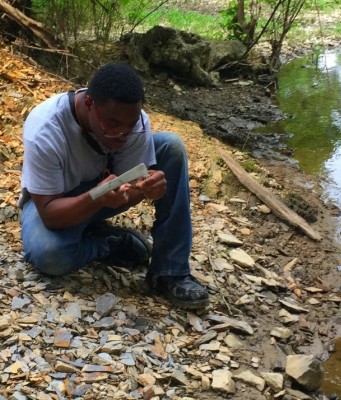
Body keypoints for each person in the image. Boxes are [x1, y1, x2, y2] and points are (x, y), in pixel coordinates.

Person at [18, 62, 209, 310]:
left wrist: (144, 189)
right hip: (55, 202)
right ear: (89, 104)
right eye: (113, 124)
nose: (123, 134)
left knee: (171, 147)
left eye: (130, 125)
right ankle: (108, 243)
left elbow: (127, 190)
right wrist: (97, 197)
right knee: (49, 255)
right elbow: (51, 214)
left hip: (104, 192)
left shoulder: (134, 124)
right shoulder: (45, 129)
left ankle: (170, 270)